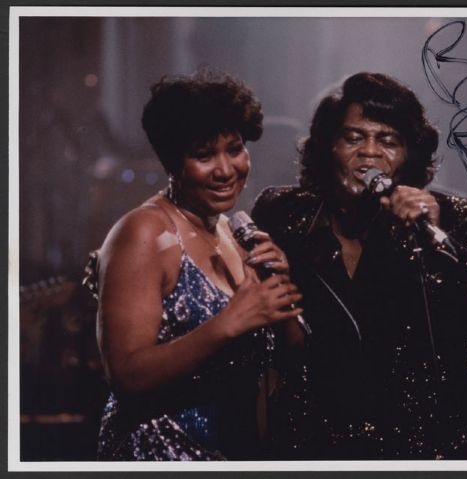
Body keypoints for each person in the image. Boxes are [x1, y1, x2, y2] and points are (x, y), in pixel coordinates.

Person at [252, 72, 467, 460]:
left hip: (422, 447)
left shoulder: (457, 220)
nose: (369, 153)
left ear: (409, 156)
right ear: (329, 146)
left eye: (388, 141)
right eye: (353, 138)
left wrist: (441, 244)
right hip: (313, 443)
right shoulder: (283, 214)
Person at [82, 72, 303, 460]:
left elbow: (295, 358)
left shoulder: (235, 233)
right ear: (172, 161)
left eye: (234, 149)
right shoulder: (144, 232)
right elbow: (126, 375)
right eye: (204, 156)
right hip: (156, 451)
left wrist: (280, 291)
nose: (225, 170)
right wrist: (227, 324)